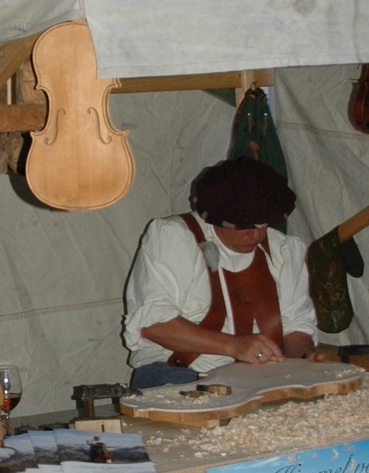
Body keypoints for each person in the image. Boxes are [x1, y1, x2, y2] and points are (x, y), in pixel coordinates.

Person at [123, 157, 326, 389]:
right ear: (213, 218)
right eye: (243, 227)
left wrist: (303, 358)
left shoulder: (284, 249)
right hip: (178, 371)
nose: (256, 235)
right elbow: (154, 324)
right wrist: (233, 346)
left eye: (263, 224)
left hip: (258, 375)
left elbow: (295, 325)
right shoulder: (174, 238)